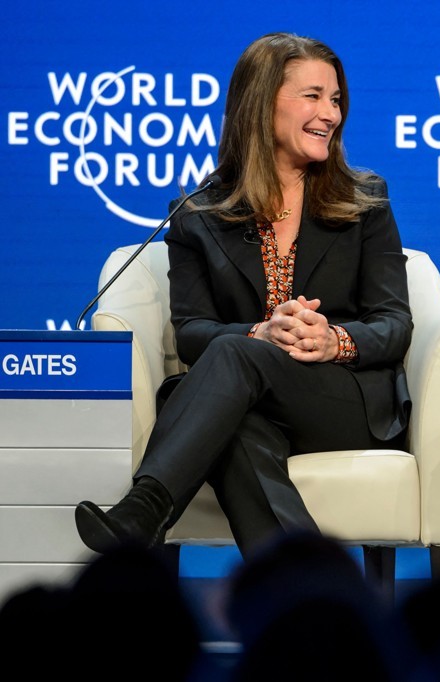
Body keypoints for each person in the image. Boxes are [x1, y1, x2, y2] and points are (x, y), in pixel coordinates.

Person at [75, 32, 412, 557]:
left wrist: (333, 341)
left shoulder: (364, 200)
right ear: (260, 103)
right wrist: (261, 332)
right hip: (243, 401)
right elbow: (190, 333)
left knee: (226, 361)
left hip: (339, 399)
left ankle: (147, 506)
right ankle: (303, 592)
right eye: (313, 96)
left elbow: (394, 322)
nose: (331, 114)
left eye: (336, 99)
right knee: (234, 425)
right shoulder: (198, 215)